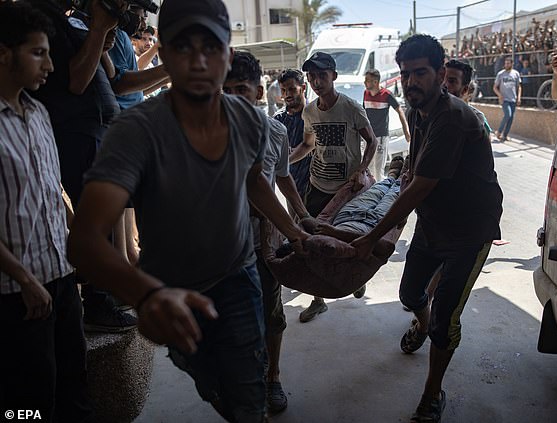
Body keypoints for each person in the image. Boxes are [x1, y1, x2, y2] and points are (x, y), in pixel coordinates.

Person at [67, 0, 309, 421]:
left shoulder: (250, 122)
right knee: (204, 373)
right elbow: (86, 240)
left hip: (238, 277)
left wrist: (296, 232)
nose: (198, 61)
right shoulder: (135, 132)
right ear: (162, 53)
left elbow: (254, 184)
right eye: (182, 47)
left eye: (210, 47)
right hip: (170, 285)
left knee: (248, 398)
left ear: (227, 56)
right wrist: (147, 295)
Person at [351, 34, 503, 423]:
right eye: (405, 74)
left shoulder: (452, 117)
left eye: (420, 73)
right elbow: (411, 176)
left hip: (469, 232)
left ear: (440, 73)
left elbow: (420, 186)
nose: (411, 81)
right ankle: (423, 324)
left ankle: (433, 393)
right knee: (410, 293)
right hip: (434, 223)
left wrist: (372, 236)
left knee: (446, 319)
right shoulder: (420, 111)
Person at [0, 3, 91, 421]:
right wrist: (23, 279)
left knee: (75, 384)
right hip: (16, 292)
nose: (51, 66)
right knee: (28, 404)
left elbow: (51, 188)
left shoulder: (37, 112)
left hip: (59, 275)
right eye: (39, 53)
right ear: (4, 53)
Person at [27, 0, 137, 332]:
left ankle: (105, 295)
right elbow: (75, 81)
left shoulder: (69, 22)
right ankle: (98, 303)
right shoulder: (44, 20)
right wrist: (100, 29)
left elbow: (111, 77)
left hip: (94, 131)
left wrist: (100, 35)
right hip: (75, 133)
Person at [222, 51, 310, 415]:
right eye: (224, 90)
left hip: (263, 242)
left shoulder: (275, 132)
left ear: (259, 92)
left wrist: (303, 218)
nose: (231, 99)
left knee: (272, 315)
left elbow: (282, 179)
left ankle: (272, 377)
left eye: (241, 89)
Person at [289, 51, 378, 321]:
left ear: (334, 76)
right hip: (318, 187)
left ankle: (354, 279)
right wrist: (283, 162)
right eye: (312, 76)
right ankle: (318, 299)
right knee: (315, 245)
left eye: (322, 75)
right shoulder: (309, 111)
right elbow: (307, 145)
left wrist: (362, 171)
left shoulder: (351, 107)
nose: (317, 81)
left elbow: (372, 141)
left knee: (347, 241)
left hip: (346, 191)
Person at [363, 69, 411, 179]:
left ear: (375, 82)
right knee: (368, 167)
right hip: (368, 136)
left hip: (381, 136)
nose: (365, 83)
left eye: (367, 80)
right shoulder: (365, 94)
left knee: (378, 168)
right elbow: (363, 112)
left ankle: (377, 192)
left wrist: (406, 131)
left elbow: (400, 111)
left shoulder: (386, 95)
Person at [275, 69, 312, 202]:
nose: (287, 95)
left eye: (291, 89)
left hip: (316, 188)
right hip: (291, 188)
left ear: (303, 88)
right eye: (283, 90)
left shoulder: (316, 115)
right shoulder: (278, 120)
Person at [444, 59, 492, 138]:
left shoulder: (476, 119)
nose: (444, 85)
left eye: (452, 81)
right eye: (442, 79)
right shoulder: (424, 112)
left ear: (465, 90)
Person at [493, 56, 522, 142]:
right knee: (507, 115)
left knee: (511, 118)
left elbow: (519, 87)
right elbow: (495, 87)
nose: (506, 65)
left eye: (508, 63)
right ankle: (499, 131)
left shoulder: (516, 74)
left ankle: (504, 135)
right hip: (504, 99)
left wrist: (519, 97)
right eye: (505, 63)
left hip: (513, 98)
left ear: (512, 64)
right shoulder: (500, 74)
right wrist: (499, 95)